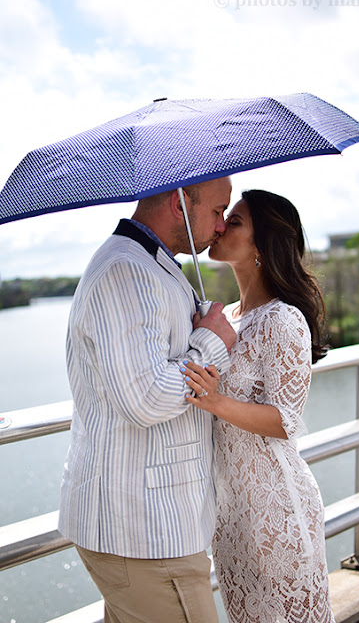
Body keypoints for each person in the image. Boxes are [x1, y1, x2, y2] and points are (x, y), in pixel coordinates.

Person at [58, 176, 237, 623]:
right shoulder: (126, 271)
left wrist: (196, 331)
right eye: (217, 210)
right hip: (146, 532)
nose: (221, 226)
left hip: (148, 527)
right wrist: (210, 343)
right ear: (180, 202)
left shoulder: (152, 266)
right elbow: (147, 397)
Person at [181, 189, 335, 623]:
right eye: (224, 217)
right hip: (229, 514)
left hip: (276, 509)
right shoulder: (223, 317)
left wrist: (214, 401)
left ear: (262, 245)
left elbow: (285, 420)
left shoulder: (283, 319)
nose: (219, 226)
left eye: (235, 222)